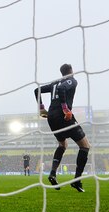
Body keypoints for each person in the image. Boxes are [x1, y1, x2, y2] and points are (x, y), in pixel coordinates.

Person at [34, 63, 91, 192]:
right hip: (63, 115)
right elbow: (62, 90)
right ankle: (77, 181)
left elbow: (36, 90)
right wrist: (66, 109)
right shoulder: (72, 80)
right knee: (85, 146)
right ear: (71, 71)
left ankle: (53, 173)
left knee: (62, 145)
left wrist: (42, 108)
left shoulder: (55, 83)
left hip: (51, 118)